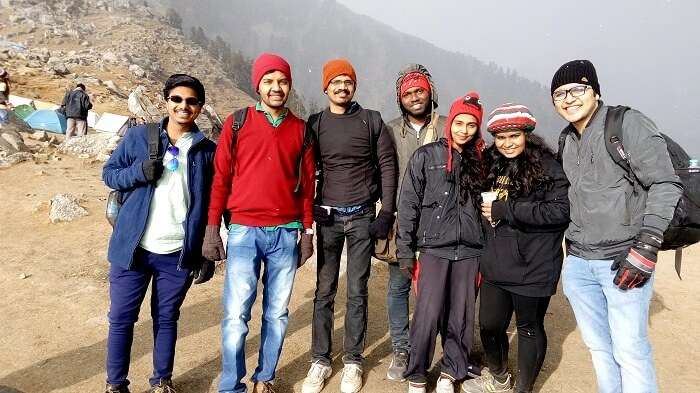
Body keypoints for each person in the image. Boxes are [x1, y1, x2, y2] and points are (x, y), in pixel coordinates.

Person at [551, 60, 682, 393]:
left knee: (630, 351)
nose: (568, 99)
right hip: (579, 263)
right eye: (559, 94)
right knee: (600, 350)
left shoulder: (626, 124)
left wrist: (648, 244)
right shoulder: (566, 140)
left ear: (595, 91)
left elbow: (666, 183)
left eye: (577, 89)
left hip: (624, 259)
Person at [202, 53, 316, 393]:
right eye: (268, 81)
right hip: (243, 232)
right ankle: (230, 384)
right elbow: (220, 179)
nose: (276, 87)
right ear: (258, 85)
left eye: (282, 81)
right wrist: (212, 229)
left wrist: (307, 232)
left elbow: (307, 187)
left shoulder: (301, 130)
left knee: (276, 314)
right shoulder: (237, 123)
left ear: (289, 85)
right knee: (236, 316)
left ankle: (265, 377)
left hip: (285, 233)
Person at [102, 74, 217, 393]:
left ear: (200, 107)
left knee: (166, 318)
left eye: (192, 101)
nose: (184, 106)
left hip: (177, 252)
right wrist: (137, 172)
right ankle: (115, 384)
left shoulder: (207, 150)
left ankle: (161, 381)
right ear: (167, 101)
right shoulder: (140, 137)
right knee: (122, 319)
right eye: (177, 99)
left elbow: (212, 201)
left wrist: (207, 249)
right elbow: (109, 174)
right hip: (132, 249)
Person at [301, 59, 398, 393]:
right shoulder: (315, 124)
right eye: (336, 82)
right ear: (325, 87)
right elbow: (302, 168)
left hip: (361, 217)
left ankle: (353, 361)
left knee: (357, 290)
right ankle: (320, 360)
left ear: (354, 86)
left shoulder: (370, 120)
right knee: (324, 291)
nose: (342, 87)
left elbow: (387, 165)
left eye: (348, 81)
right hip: (326, 218)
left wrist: (387, 211)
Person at [461, 104, 569, 393]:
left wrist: (506, 210)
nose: (507, 143)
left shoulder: (548, 166)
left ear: (527, 134)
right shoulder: (490, 163)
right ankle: (499, 379)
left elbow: (559, 211)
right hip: (496, 263)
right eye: (501, 137)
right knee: (489, 325)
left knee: (528, 328)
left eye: (514, 136)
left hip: (534, 264)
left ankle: (523, 388)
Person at [397, 92, 486, 393]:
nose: (464, 130)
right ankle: (417, 373)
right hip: (434, 247)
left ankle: (451, 371)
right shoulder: (426, 156)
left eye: (471, 125)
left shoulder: (481, 160)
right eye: (459, 122)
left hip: (470, 250)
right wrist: (405, 251)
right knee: (427, 313)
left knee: (460, 316)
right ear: (450, 123)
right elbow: (408, 204)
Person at [384, 64, 444, 381]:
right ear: (400, 99)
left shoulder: (449, 126)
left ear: (430, 91)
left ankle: (437, 350)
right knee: (398, 287)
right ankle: (401, 348)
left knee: (435, 291)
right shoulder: (390, 129)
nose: (414, 97)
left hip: (441, 224)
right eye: (407, 93)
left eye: (419, 90)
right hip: (402, 223)